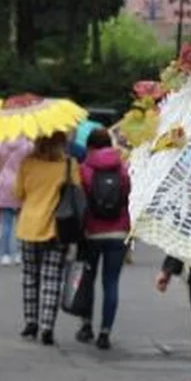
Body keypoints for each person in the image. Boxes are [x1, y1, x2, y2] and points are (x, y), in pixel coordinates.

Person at [15, 131, 81, 346]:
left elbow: (18, 193)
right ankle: (47, 327)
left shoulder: (28, 164)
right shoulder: (70, 165)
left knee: (29, 276)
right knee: (52, 278)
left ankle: (30, 321)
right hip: (57, 227)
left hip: (28, 226)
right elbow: (77, 193)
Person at [74, 129, 130, 350]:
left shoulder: (84, 169)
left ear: (89, 147)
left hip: (91, 232)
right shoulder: (123, 169)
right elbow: (127, 195)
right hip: (118, 232)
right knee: (111, 282)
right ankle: (105, 332)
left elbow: (79, 200)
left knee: (87, 280)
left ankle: (86, 325)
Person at [0, 137, 33, 266]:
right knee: (21, 222)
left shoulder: (1, 144)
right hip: (22, 183)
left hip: (5, 183)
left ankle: (5, 255)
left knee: (5, 222)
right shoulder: (28, 146)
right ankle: (20, 253)